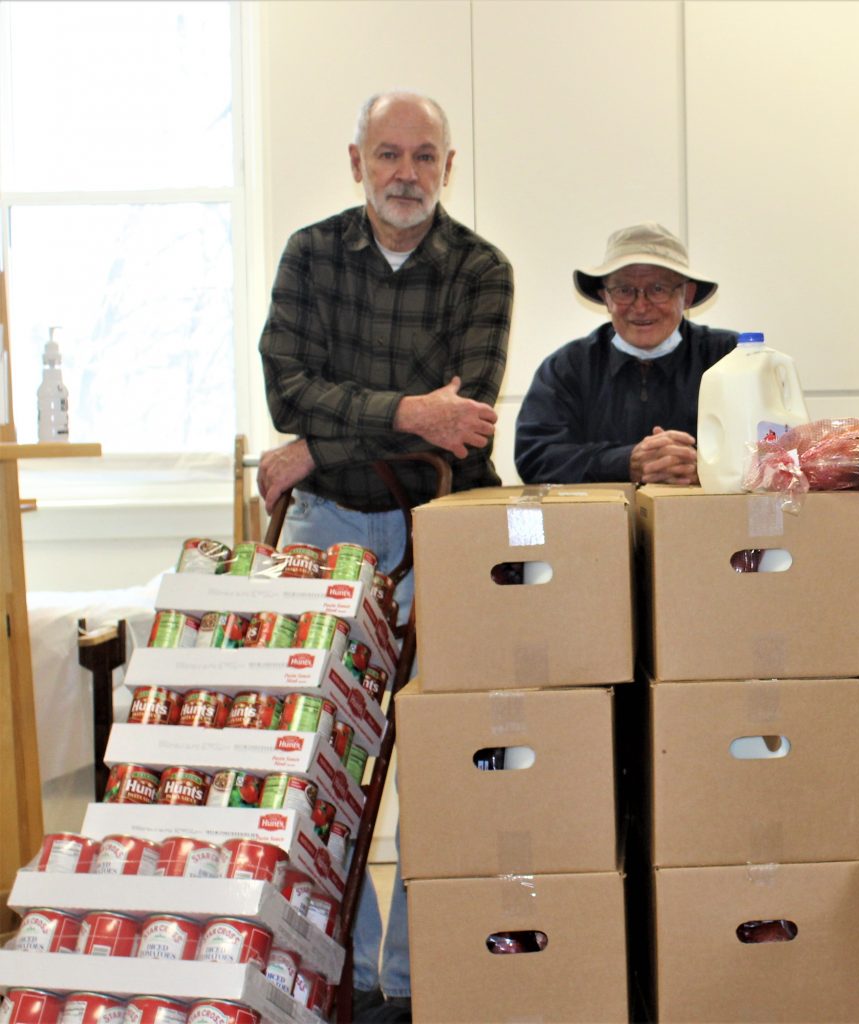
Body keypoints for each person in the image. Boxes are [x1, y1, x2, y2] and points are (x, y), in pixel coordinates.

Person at [256, 90, 513, 1019]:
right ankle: (343, 969)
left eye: (424, 155)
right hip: (325, 526)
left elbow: (466, 425)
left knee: (437, 755)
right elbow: (289, 391)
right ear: (356, 158)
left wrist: (329, 434)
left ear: (450, 166)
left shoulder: (483, 270)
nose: (405, 173)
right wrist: (406, 411)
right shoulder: (309, 255)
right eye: (388, 154)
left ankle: (408, 978)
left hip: (439, 534)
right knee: (319, 758)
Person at [513, 222, 737, 484]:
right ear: (605, 298)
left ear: (686, 296)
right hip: (598, 524)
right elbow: (535, 456)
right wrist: (625, 462)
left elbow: (770, 445)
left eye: (657, 289)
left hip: (706, 523)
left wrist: (701, 466)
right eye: (623, 291)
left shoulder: (730, 358)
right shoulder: (568, 367)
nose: (640, 306)